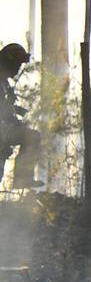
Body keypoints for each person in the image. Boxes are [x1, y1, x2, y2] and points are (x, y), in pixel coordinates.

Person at [0, 43, 43, 189]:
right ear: (8, 62)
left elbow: (4, 109)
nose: (18, 68)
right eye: (17, 64)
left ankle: (22, 179)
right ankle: (22, 179)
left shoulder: (4, 83)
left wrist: (15, 111)